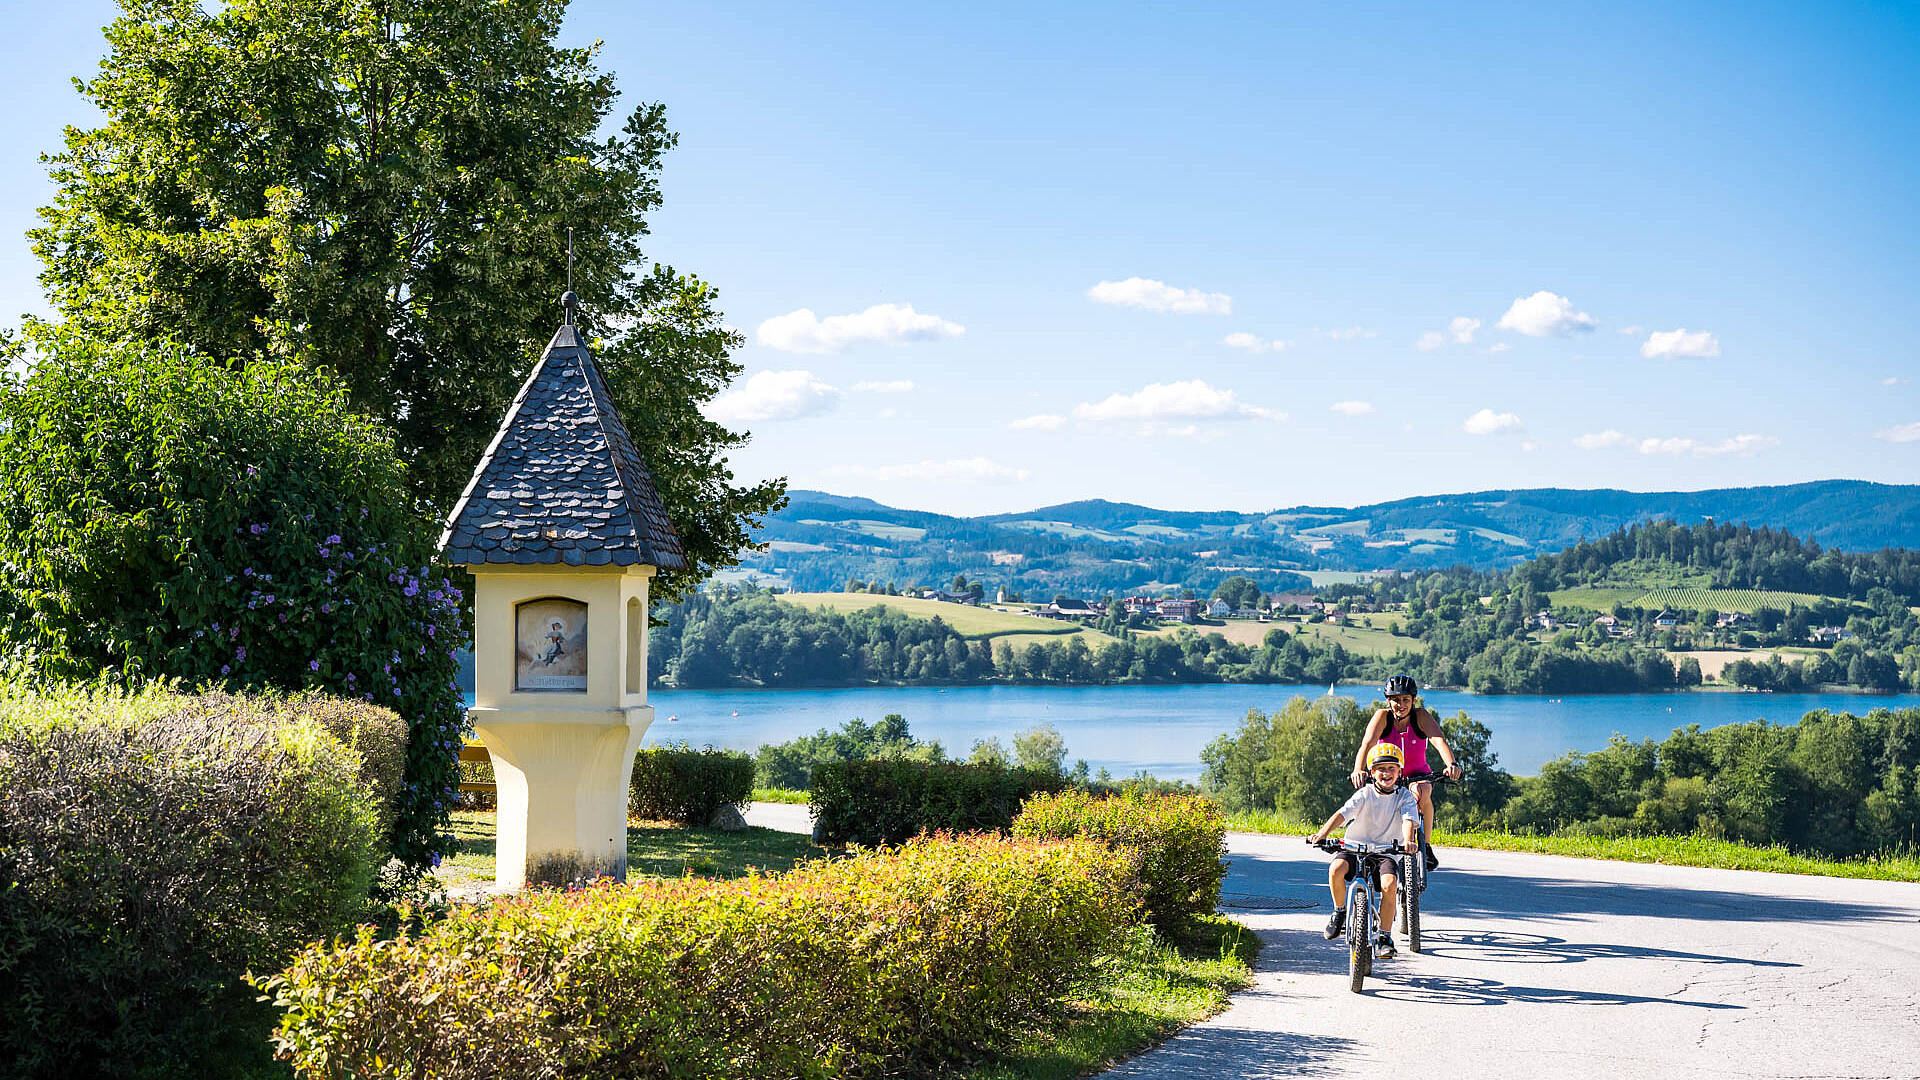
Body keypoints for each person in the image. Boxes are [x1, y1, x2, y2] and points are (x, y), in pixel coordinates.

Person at [1310, 742, 1420, 958]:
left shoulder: (1405, 796)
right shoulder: (1365, 793)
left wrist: (1408, 841)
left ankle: (1385, 936)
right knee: (1336, 869)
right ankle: (1339, 912)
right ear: (1371, 772)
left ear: (1400, 771)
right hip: (1355, 847)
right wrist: (1322, 834)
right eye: (1381, 769)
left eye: (1391, 768)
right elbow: (1343, 814)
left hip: (1385, 852)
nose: (1386, 773)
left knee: (1389, 885)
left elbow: (1408, 820)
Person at [1352, 674, 1460, 870]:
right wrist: (1358, 769)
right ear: (1388, 701)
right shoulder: (1382, 717)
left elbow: (1438, 740)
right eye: (1395, 700)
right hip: (1388, 775)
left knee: (1422, 792)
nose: (1400, 704)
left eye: (1405, 700)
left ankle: (1425, 846)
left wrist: (1451, 763)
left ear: (1413, 700)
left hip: (1418, 774)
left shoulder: (1421, 717)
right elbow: (1366, 744)